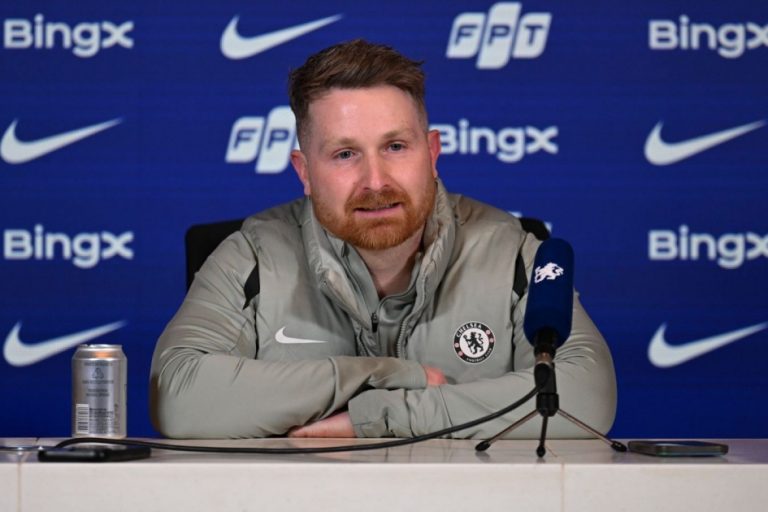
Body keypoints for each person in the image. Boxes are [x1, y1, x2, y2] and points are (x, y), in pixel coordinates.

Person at [150, 39, 617, 439]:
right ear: (304, 171)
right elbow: (178, 396)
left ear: (431, 153)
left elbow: (585, 395)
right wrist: (381, 373)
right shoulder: (251, 256)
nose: (375, 181)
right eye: (345, 154)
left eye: (395, 147)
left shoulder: (512, 252)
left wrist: (382, 416)